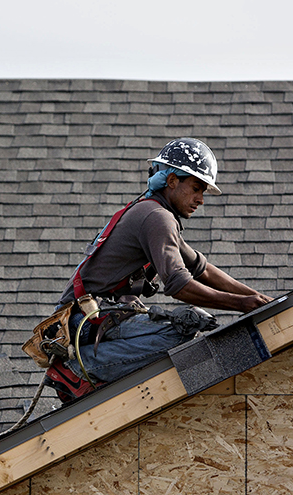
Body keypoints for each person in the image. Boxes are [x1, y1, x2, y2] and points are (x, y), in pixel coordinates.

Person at [44, 138, 272, 403]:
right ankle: (78, 371)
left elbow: (202, 269)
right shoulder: (157, 217)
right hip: (83, 323)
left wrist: (257, 299)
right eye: (196, 188)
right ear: (172, 181)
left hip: (93, 319)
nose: (200, 199)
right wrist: (243, 304)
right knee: (183, 327)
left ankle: (98, 368)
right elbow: (180, 285)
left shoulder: (154, 212)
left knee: (180, 327)